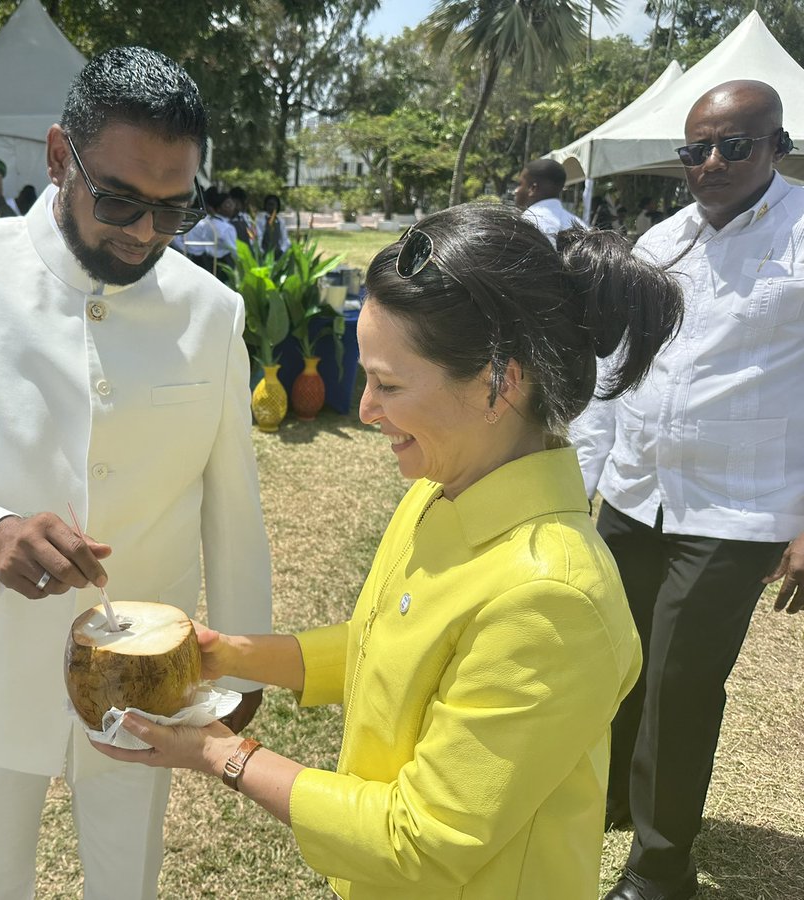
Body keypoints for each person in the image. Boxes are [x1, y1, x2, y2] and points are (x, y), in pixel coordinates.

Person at [94, 202, 684, 900]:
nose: (367, 408)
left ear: (501, 382)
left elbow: (422, 840)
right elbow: (389, 646)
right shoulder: (442, 489)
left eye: (390, 384)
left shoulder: (552, 601)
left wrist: (219, 753)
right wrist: (229, 654)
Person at [0, 46, 273, 899]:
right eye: (119, 200)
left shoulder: (211, 311)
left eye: (172, 210)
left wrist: (244, 665)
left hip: (147, 679)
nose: (145, 233)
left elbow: (232, 505)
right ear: (55, 157)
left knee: (127, 879)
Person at [573, 79, 803, 900]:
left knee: (679, 682)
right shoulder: (661, 241)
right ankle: (607, 797)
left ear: (776, 145)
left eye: (733, 145)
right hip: (637, 491)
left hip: (737, 508)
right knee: (615, 658)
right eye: (695, 148)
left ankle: (661, 867)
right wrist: (582, 484)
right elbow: (616, 369)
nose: (710, 161)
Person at [513, 158, 585, 242]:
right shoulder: (581, 226)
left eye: (520, 184)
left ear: (533, 189)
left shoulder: (525, 223)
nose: (515, 191)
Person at [182, 184, 238, 275]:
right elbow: (234, 251)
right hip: (223, 264)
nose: (232, 207)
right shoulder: (227, 228)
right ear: (218, 208)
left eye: (232, 204)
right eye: (228, 204)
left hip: (206, 261)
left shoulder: (206, 223)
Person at [256, 192, 291, 258]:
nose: (272, 207)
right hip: (264, 254)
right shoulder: (260, 219)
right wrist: (261, 252)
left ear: (277, 206)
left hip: (278, 254)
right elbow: (258, 237)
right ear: (265, 205)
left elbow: (285, 239)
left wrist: (282, 250)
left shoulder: (280, 220)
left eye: (274, 205)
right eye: (269, 204)